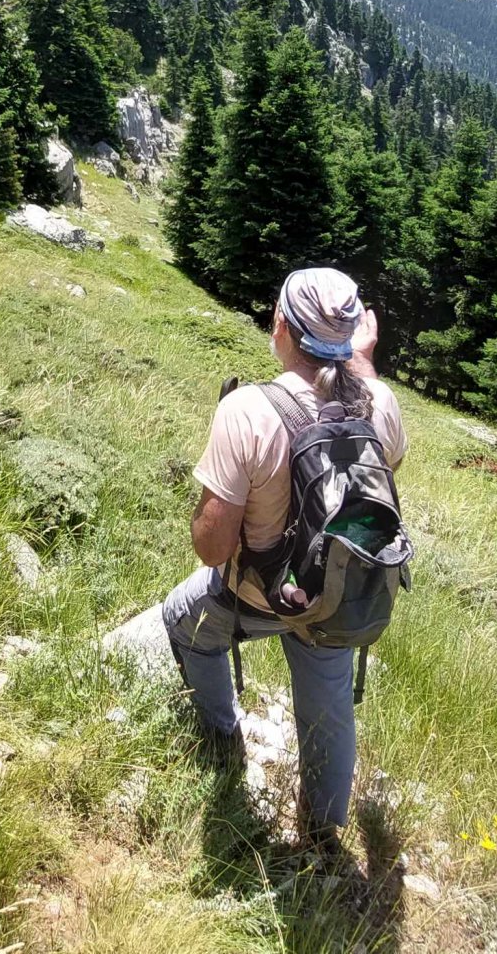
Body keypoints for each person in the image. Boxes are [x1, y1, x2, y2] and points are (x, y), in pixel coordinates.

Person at [161, 266, 408, 846]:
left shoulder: (248, 410)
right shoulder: (382, 402)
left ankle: (222, 733)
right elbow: (377, 481)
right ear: (352, 340)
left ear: (281, 324)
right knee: (329, 707)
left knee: (182, 617)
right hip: (335, 600)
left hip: (260, 593)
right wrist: (361, 364)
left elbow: (212, 546)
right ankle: (322, 833)